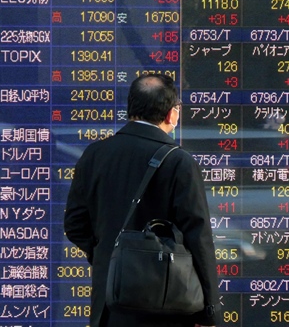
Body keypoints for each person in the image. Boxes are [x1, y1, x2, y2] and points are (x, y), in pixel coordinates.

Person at [64, 74, 219, 327]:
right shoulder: (179, 162)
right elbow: (198, 238)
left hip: (110, 305)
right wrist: (210, 311)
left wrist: (112, 258)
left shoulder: (95, 154)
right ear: (171, 114)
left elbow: (74, 225)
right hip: (168, 303)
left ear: (131, 108)